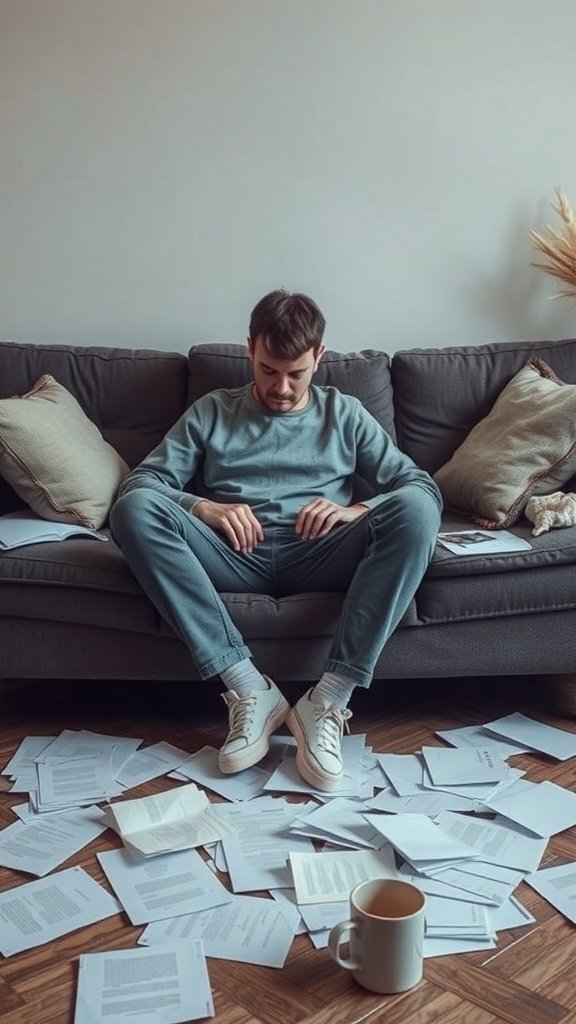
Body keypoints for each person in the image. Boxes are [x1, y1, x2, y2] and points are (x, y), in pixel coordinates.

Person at [110, 290, 442, 791]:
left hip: (325, 553)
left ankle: (327, 700)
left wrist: (354, 509)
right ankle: (249, 689)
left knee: (416, 510)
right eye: (268, 370)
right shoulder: (212, 411)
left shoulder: (345, 413)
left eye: (296, 373)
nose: (281, 388)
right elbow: (141, 484)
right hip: (231, 554)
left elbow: (419, 486)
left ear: (319, 357)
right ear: (250, 349)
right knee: (134, 509)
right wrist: (203, 507)